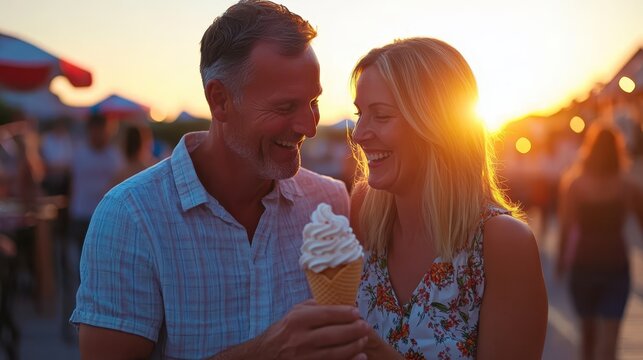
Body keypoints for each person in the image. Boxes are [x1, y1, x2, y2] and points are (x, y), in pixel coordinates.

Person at [71, 1, 370, 359]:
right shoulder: (131, 216)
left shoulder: (331, 201)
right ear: (220, 100)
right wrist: (265, 352)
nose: (308, 126)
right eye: (285, 107)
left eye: (313, 101)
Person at [349, 38, 548, 359]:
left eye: (381, 116)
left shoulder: (501, 243)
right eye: (360, 114)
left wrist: (372, 350)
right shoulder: (363, 209)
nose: (358, 133)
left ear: (435, 124)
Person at [557, 124, 643, 360]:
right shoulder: (627, 187)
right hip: (616, 265)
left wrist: (561, 263)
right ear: (618, 151)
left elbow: (565, 228)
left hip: (583, 266)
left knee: (587, 337)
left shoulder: (575, 185)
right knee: (610, 340)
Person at [63, 113, 123, 341]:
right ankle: (81, 322)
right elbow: (70, 184)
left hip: (106, 219)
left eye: (105, 130)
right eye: (98, 130)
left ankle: (99, 323)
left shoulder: (114, 155)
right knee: (81, 272)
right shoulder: (78, 155)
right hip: (81, 216)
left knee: (103, 273)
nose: (102, 134)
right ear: (91, 130)